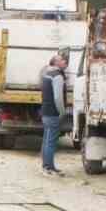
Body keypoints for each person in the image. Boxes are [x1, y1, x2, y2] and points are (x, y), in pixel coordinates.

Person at [38, 49, 70, 177]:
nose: (65, 61)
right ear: (56, 63)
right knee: (51, 141)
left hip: (45, 112)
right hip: (53, 113)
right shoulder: (57, 76)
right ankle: (48, 168)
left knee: (46, 140)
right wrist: (62, 112)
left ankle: (47, 165)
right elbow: (58, 97)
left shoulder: (46, 74)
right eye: (62, 60)